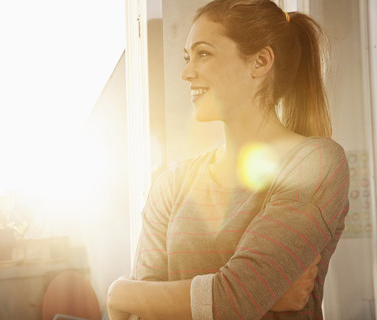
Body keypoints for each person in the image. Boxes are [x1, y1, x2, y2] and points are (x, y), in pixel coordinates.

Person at [107, 0, 349, 319]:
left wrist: (122, 293)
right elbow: (146, 315)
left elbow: (231, 299)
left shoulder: (316, 163)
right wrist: (262, 293)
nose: (186, 72)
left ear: (260, 62)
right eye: (187, 57)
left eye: (203, 54)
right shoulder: (172, 182)